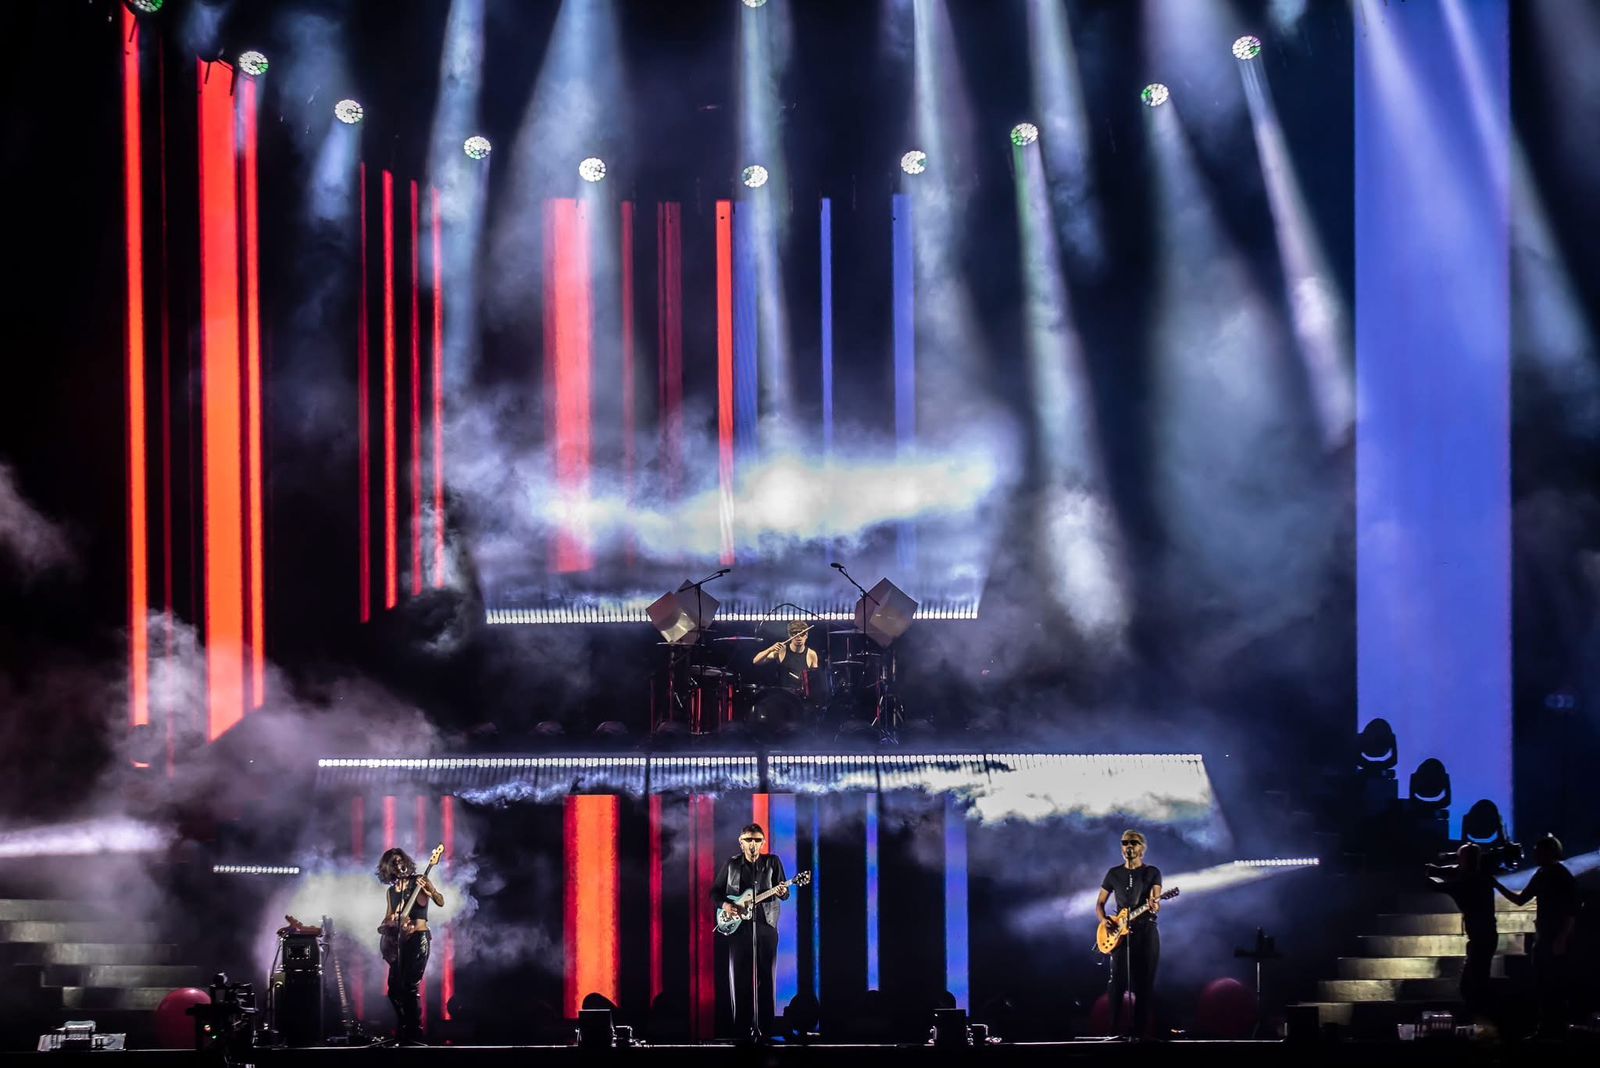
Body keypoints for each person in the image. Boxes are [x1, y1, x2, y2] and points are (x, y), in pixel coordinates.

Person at [1494, 834, 1579, 1038]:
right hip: (1545, 937)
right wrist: (1497, 885)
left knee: (1553, 984)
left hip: (1554, 938)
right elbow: (1521, 899)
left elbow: (1572, 909)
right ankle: (1547, 1028)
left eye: (1538, 851)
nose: (1534, 855)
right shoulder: (1543, 873)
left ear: (1548, 852)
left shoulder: (1559, 875)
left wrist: (1562, 938)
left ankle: (1554, 1029)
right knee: (1543, 983)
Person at [710, 823, 790, 1041]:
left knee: (767, 978)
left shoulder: (772, 862)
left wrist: (783, 891)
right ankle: (741, 1031)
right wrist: (726, 905)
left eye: (757, 840)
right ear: (741, 842)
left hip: (766, 926)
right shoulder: (732, 864)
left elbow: (784, 894)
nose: (752, 844)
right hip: (739, 928)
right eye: (748, 840)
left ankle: (766, 1029)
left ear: (763, 843)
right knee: (740, 979)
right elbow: (715, 892)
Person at [1096, 829, 1162, 1038]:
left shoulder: (1152, 872)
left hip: (1146, 932)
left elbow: (1156, 900)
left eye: (1133, 842)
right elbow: (1100, 903)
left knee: (1144, 984)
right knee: (1117, 983)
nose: (1128, 846)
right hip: (1120, 934)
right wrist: (1104, 920)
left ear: (1142, 847)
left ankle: (1140, 1033)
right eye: (1124, 843)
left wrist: (1154, 905)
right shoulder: (1113, 874)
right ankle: (1113, 1030)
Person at [377, 847, 445, 1046]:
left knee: (409, 987)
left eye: (401, 861)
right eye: (395, 863)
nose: (400, 865)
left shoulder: (419, 881)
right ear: (389, 869)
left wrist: (430, 891)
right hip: (399, 943)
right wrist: (390, 920)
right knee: (393, 990)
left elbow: (440, 901)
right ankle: (403, 1029)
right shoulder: (391, 892)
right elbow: (387, 917)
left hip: (418, 940)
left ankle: (415, 1034)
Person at [1425, 842, 1497, 1017]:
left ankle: (1480, 1019)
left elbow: (1437, 885)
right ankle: (1478, 1017)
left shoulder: (1467, 882)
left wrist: (1428, 873)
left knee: (1474, 984)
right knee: (1474, 982)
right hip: (1484, 937)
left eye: (1460, 858)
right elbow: (1454, 871)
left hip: (1481, 939)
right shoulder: (1481, 875)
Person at [752, 621, 819, 693]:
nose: (798, 636)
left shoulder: (811, 654)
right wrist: (770, 649)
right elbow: (756, 661)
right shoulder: (781, 651)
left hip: (802, 696)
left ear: (806, 635)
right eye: (794, 633)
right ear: (790, 635)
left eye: (802, 633)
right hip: (783, 695)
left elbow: (815, 680)